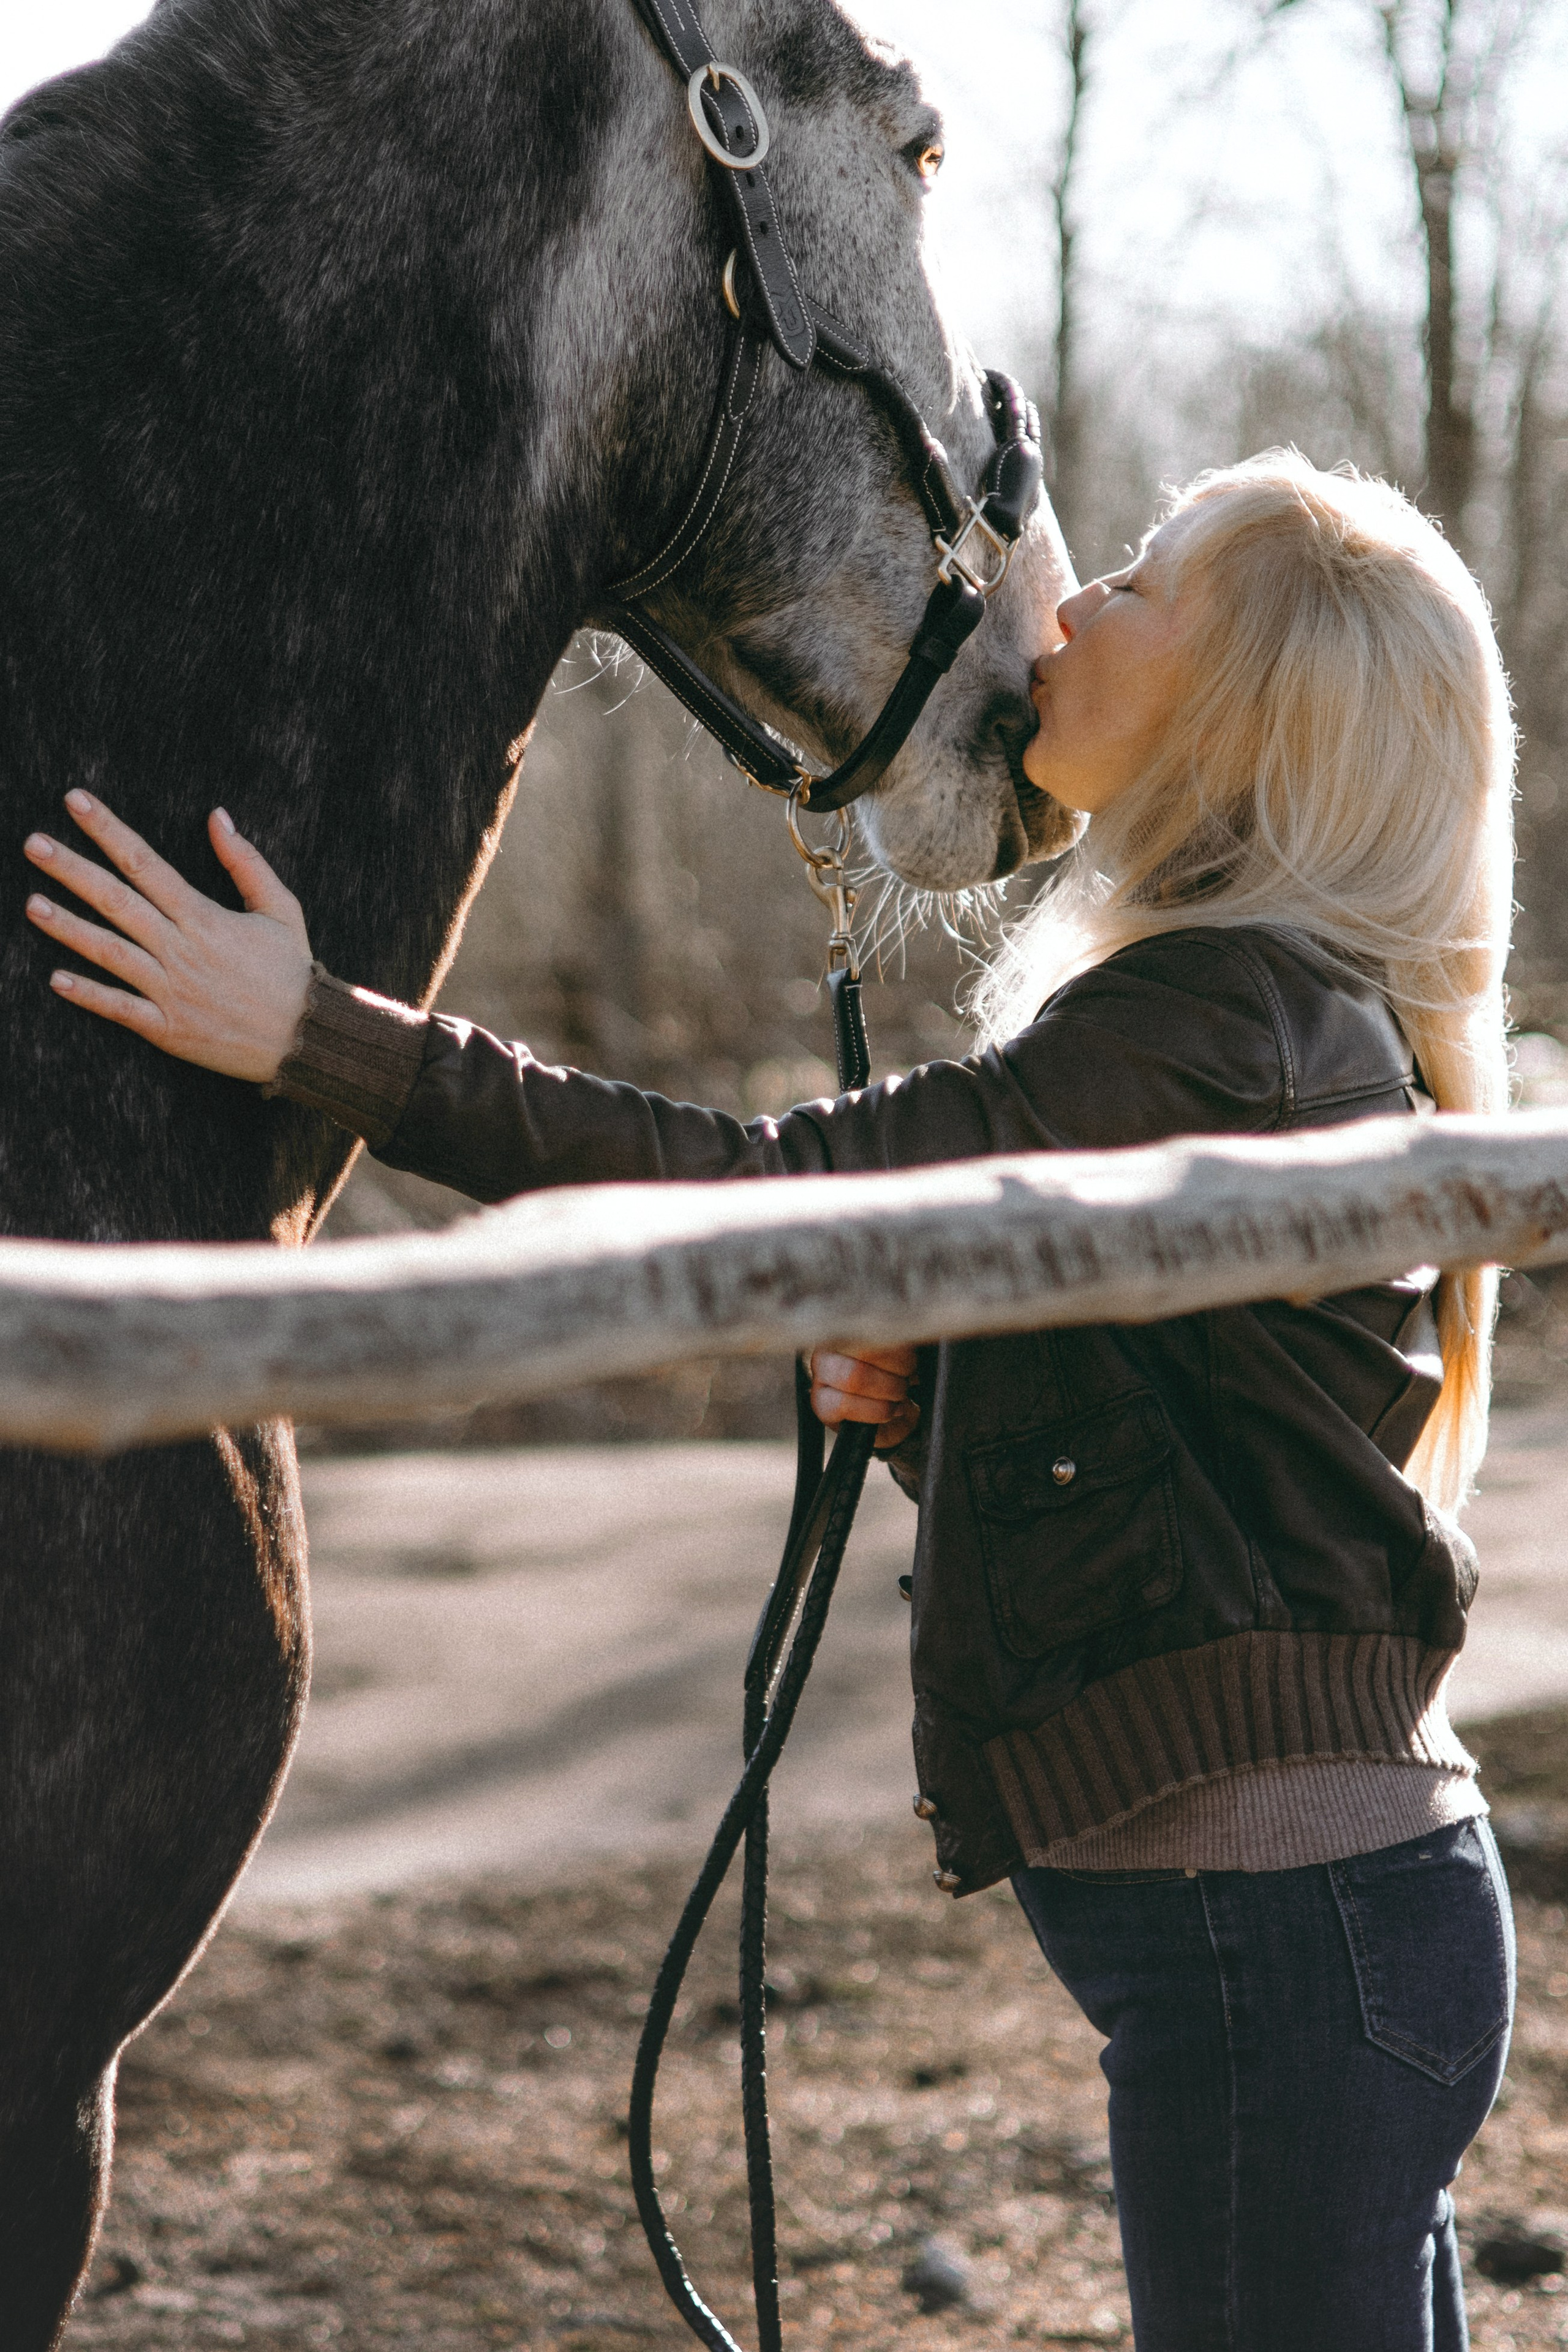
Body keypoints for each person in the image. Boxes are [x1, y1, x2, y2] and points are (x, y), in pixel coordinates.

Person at [22, 452, 1517, 2351]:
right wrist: (927, 1414)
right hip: (1323, 1937)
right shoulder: (1264, 1014)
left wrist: (318, 1038)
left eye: (1136, 585)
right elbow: (1179, 1481)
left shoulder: (1213, 1023)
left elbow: (765, 1193)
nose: (1070, 613)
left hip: (1281, 1954)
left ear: (1243, 716)